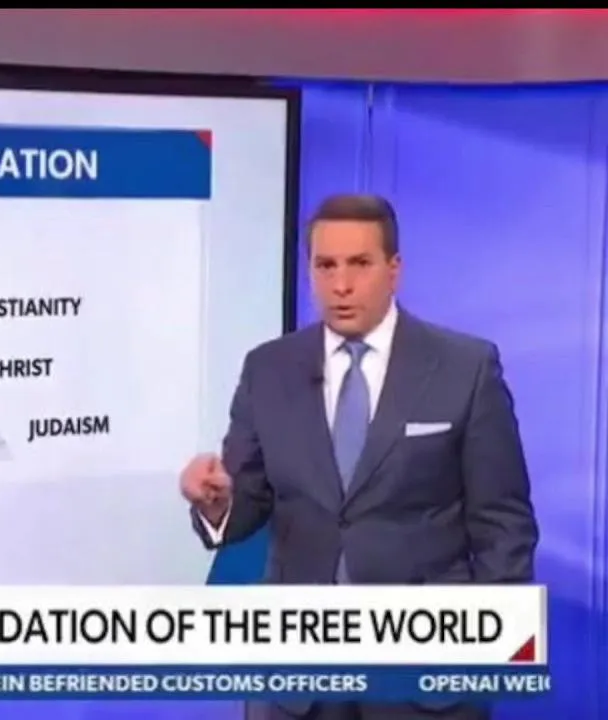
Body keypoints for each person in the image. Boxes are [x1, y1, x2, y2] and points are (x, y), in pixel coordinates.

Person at [179, 194, 538, 720]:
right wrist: (217, 505)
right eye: (326, 266)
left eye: (359, 264)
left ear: (394, 270)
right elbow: (249, 500)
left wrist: (481, 646)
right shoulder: (268, 369)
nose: (341, 285)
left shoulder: (465, 368)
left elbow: (503, 522)